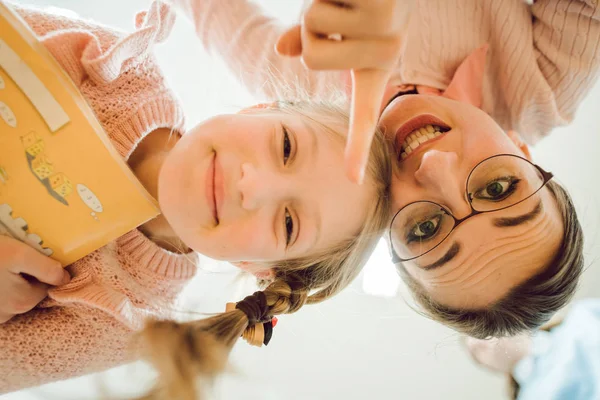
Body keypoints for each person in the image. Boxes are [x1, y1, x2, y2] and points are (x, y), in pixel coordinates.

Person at [0, 1, 391, 393]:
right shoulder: (115, 66)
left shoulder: (124, 320)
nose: (252, 187)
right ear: (258, 109)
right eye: (286, 147)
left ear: (255, 266)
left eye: (289, 222)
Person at [168, 0, 593, 338]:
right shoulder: (546, 83)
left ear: (384, 234)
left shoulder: (297, 111)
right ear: (522, 149)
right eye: (499, 188)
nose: (434, 165)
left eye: (424, 229)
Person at [465, 299, 600, 400]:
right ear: (491, 368)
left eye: (480, 334)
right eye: (476, 352)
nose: (479, 342)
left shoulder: (582, 314)